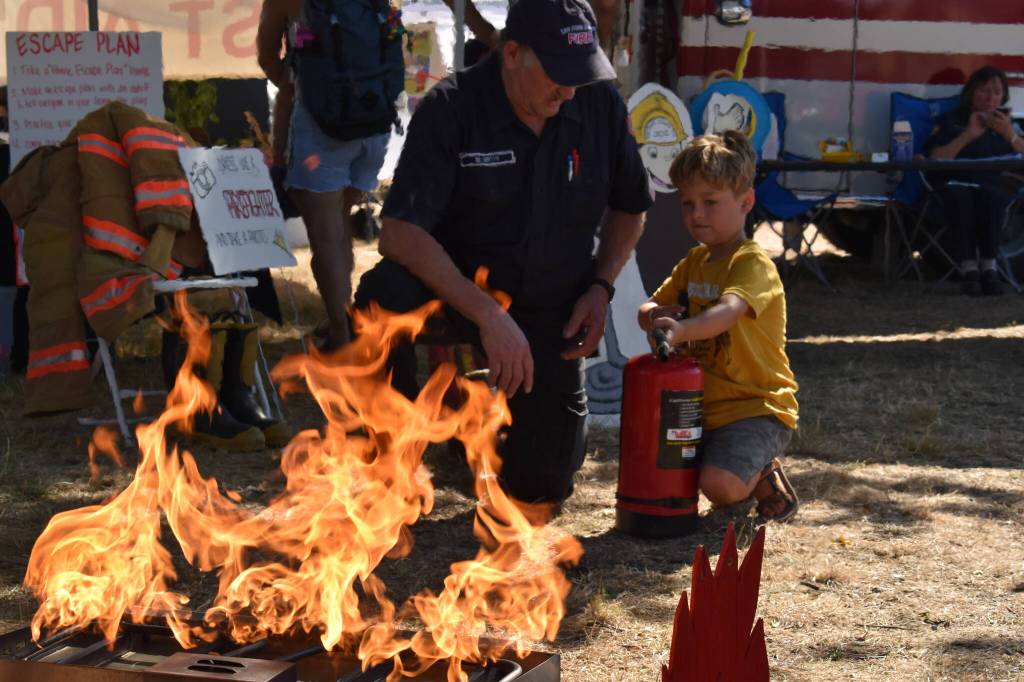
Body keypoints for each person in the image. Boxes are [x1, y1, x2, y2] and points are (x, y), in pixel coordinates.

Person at [353, 0, 651, 515]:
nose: (568, 91)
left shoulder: (597, 102)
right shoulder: (451, 108)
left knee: (541, 490)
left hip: (550, 301)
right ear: (512, 54)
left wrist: (601, 289)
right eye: (558, 75)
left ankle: (502, 444)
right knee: (382, 296)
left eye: (581, 75)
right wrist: (486, 313)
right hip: (455, 291)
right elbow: (399, 233)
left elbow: (631, 207)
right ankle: (388, 466)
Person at [637, 131, 799, 522]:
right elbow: (651, 303)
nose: (696, 214)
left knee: (720, 488)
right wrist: (651, 316)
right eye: (688, 203)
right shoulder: (694, 261)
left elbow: (728, 310)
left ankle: (764, 474)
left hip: (755, 408)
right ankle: (738, 469)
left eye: (710, 202)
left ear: (746, 202)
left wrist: (681, 330)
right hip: (698, 408)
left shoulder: (751, 263)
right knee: (665, 480)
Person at [257, 0, 398, 349]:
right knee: (339, 220)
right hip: (374, 123)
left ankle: (341, 334)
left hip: (321, 130)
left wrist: (306, 86)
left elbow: (266, 56)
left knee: (326, 237)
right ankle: (344, 315)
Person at [926, 65, 1024, 297]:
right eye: (983, 91)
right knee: (962, 198)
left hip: (992, 185)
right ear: (971, 92)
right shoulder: (952, 121)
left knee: (992, 197)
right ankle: (969, 269)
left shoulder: (1007, 124)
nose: (990, 98)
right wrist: (968, 135)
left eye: (996, 92)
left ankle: (989, 268)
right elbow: (934, 159)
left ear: (1003, 97)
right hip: (953, 184)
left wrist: (1009, 134)